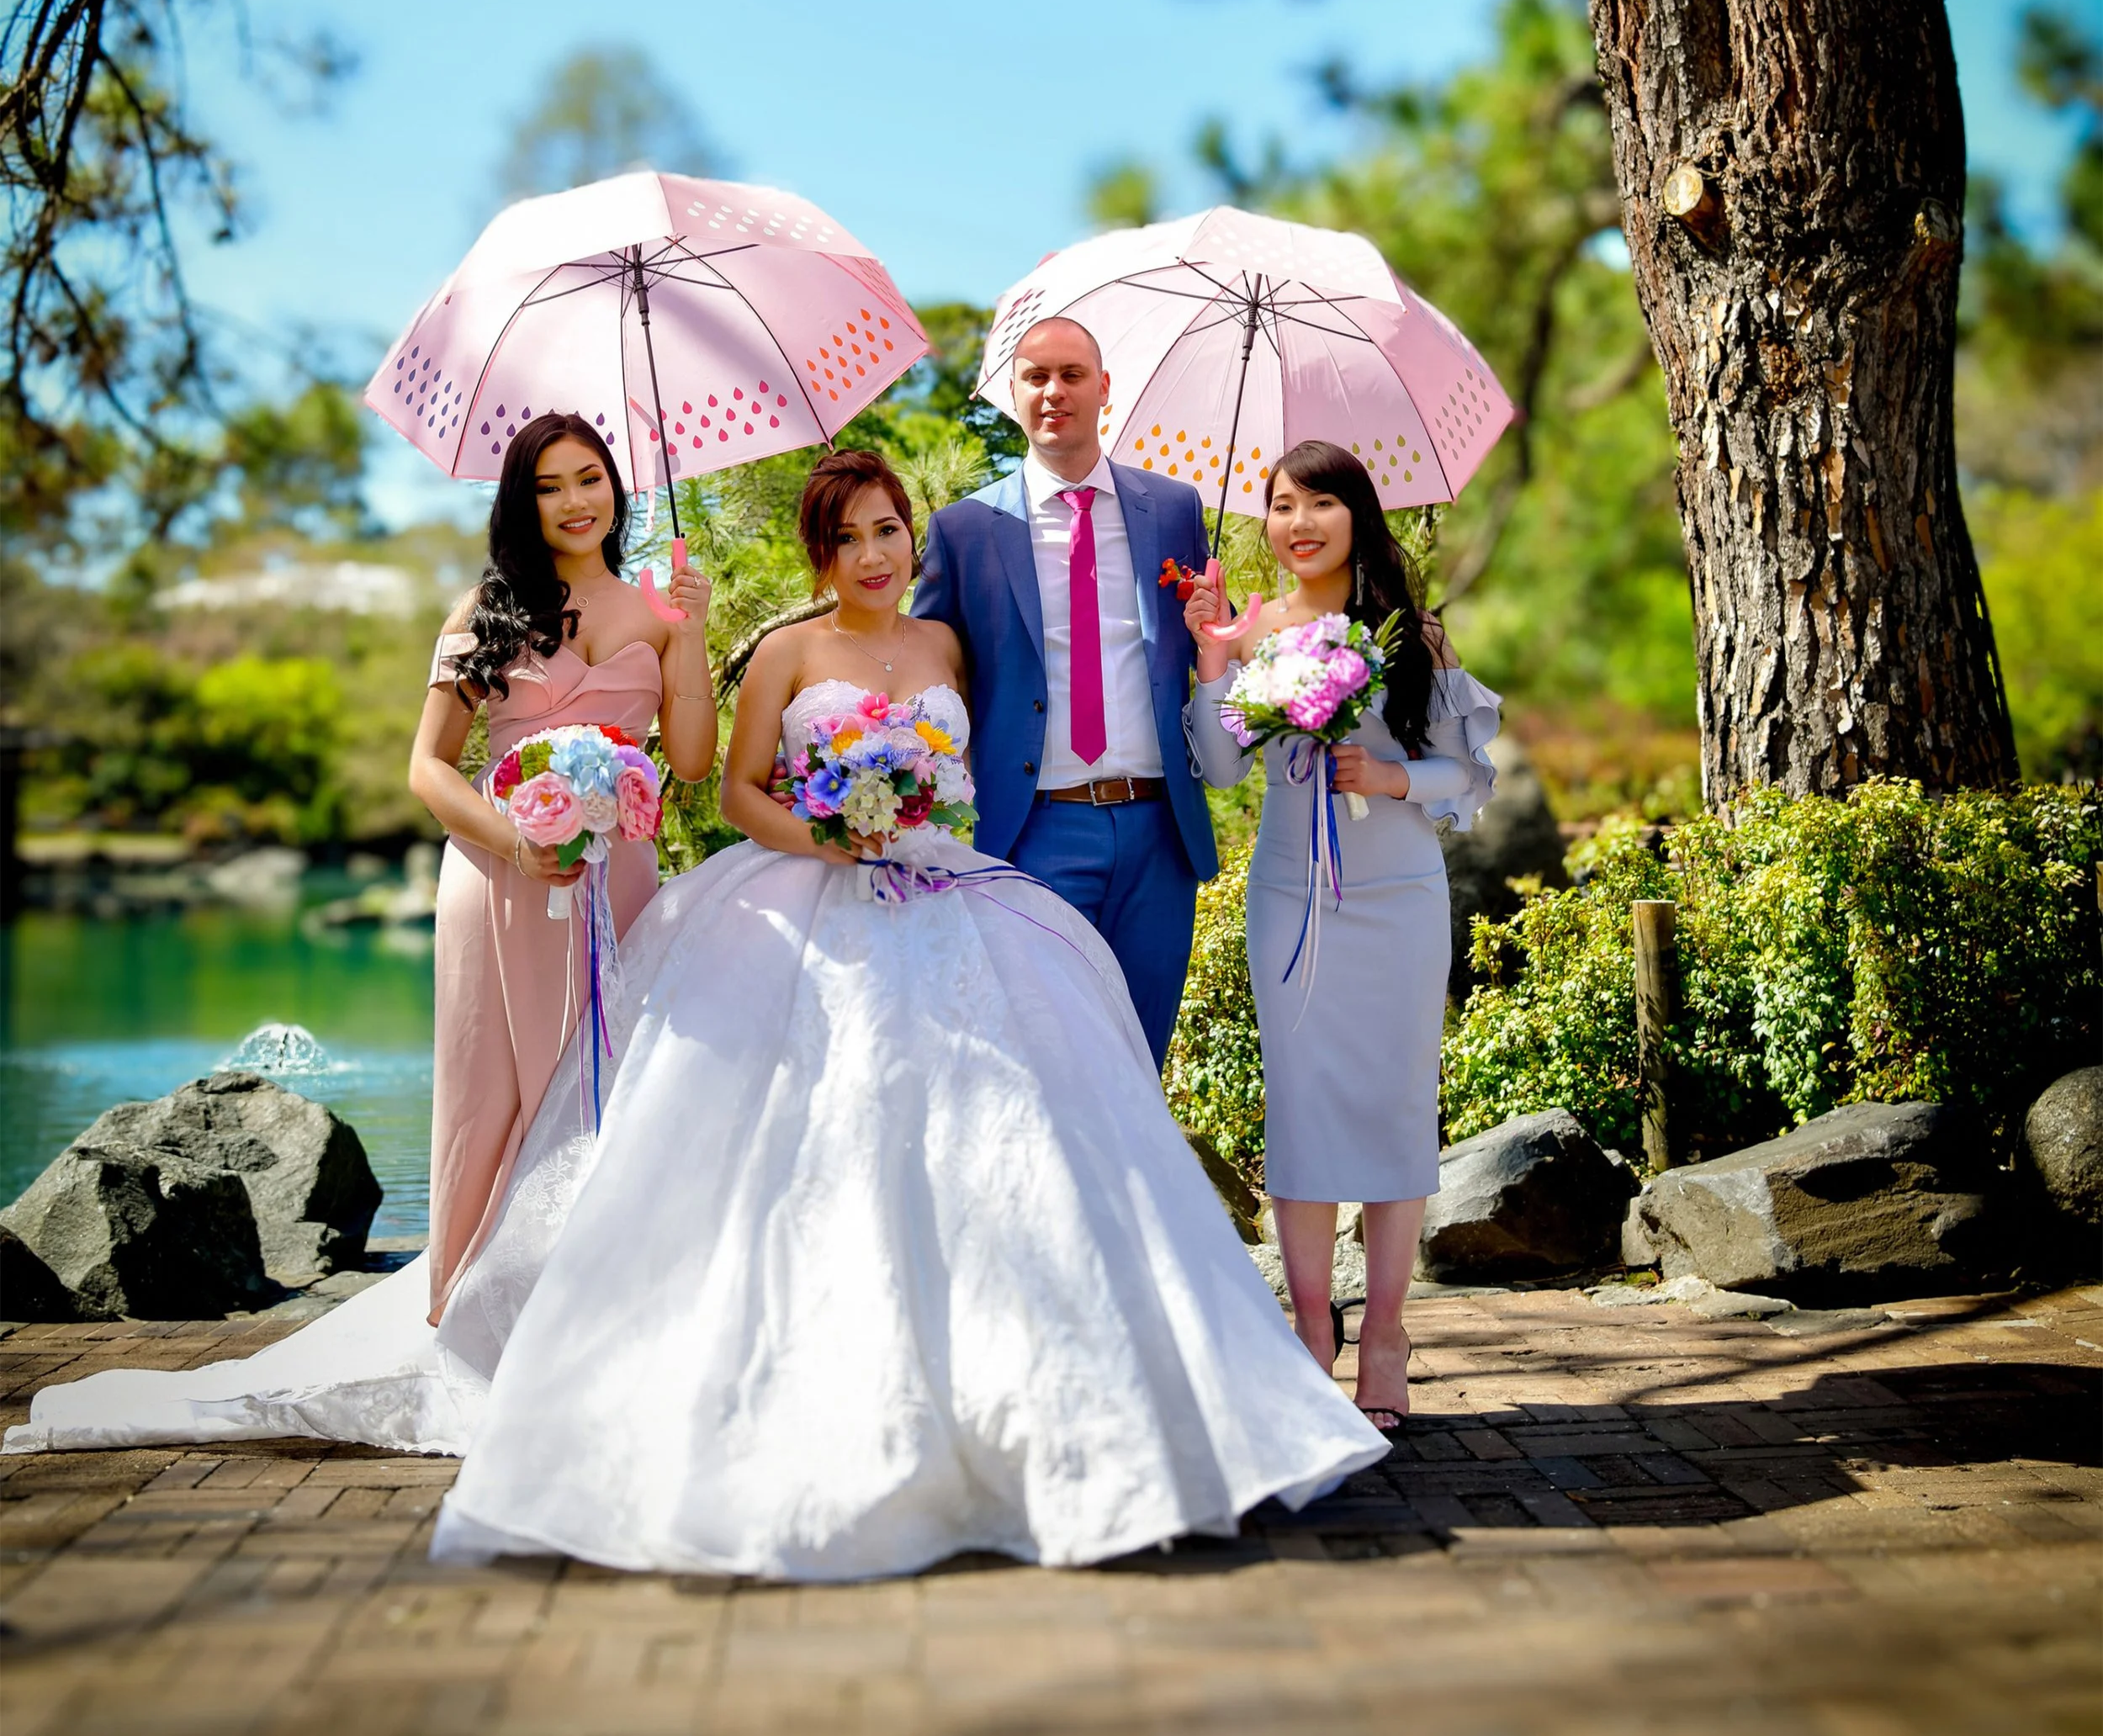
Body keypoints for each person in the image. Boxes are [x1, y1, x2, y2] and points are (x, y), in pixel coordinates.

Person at [9, 447, 1385, 1585]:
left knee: (1009, 1116)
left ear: (915, 537)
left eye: (891, 526)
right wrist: (831, 831)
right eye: (849, 532)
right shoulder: (783, 648)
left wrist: (928, 814)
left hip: (940, 887)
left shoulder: (948, 637)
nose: (876, 549)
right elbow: (726, 789)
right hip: (805, 892)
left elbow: (991, 756)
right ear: (817, 550)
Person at [1184, 440, 1500, 1429]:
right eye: (1282, 505)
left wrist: (1393, 776)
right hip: (1290, 897)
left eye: (1321, 502)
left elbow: (1466, 776)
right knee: (1303, 1100)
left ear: (1357, 515)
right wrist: (1213, 661)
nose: (1300, 522)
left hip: (1397, 897)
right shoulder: (1256, 630)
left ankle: (1390, 1332)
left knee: (1396, 1101)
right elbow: (1220, 771)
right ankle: (1310, 1326)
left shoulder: (1412, 636)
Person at [410, 411, 715, 1318]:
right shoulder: (483, 614)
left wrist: (691, 631)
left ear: (616, 490)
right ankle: (471, 1306)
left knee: (608, 1084)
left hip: (617, 881)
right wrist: (515, 842)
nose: (574, 501)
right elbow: (427, 766)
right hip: (498, 880)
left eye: (589, 478)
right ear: (522, 504)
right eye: (548, 487)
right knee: (490, 1093)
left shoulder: (663, 606)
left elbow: (693, 763)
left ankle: (597, 1314)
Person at [912, 315, 1213, 1065]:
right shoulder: (967, 527)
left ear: (1104, 387)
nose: (1054, 391)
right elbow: (927, 671)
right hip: (1032, 829)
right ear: (1010, 394)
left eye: (1072, 374)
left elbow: (1208, 647)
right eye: (1036, 377)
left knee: (1142, 1059)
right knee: (1044, 1059)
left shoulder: (1174, 510)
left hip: (1159, 829)